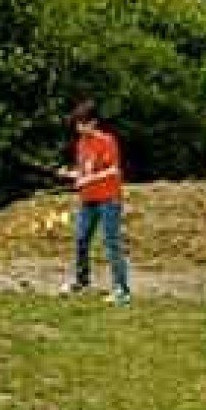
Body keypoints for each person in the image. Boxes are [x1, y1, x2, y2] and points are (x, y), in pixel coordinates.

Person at [58, 101, 131, 305]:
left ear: (93, 123)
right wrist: (71, 174)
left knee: (111, 242)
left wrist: (87, 179)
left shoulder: (107, 141)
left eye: (82, 123)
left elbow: (113, 170)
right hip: (88, 199)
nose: (79, 128)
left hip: (109, 198)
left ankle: (121, 290)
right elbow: (85, 171)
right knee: (81, 238)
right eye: (77, 124)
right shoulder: (81, 143)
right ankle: (82, 282)